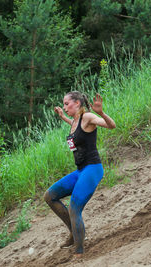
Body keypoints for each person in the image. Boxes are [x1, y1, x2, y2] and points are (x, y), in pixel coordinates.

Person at [44, 91, 116, 257]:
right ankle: (73, 233)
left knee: (74, 208)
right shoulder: (76, 121)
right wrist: (62, 116)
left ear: (77, 103)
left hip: (92, 169)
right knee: (49, 196)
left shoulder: (88, 117)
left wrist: (101, 113)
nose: (64, 107)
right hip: (80, 170)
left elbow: (112, 126)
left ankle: (79, 251)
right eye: (63, 105)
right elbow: (77, 132)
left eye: (66, 104)